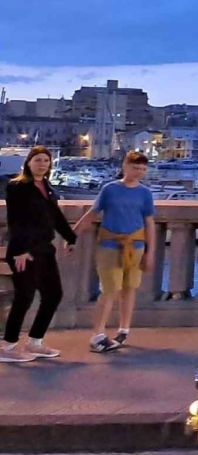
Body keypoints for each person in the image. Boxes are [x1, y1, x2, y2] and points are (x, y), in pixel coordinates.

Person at [72, 151, 156, 353]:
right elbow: (92, 213)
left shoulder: (145, 193)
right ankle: (98, 335)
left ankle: (124, 329)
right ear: (125, 166)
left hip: (135, 246)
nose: (139, 172)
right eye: (135, 168)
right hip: (110, 245)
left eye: (143, 169)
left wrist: (150, 252)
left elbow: (149, 223)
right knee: (110, 289)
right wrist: (73, 235)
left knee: (130, 287)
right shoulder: (109, 189)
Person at [2, 146, 78, 362]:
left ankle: (35, 342)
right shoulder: (17, 187)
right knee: (24, 296)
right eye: (37, 160)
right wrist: (21, 251)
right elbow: (15, 221)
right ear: (28, 163)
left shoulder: (46, 186)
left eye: (46, 160)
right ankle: (7, 347)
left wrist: (70, 238)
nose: (42, 164)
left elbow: (55, 216)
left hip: (44, 249)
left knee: (53, 294)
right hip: (24, 251)